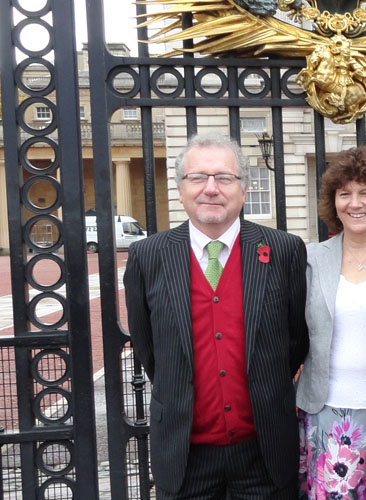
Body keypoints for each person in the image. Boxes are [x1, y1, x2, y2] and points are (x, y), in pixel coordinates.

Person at [124, 132, 308, 499]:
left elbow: (295, 340)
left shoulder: (284, 250)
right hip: (184, 454)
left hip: (264, 451)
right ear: (180, 190)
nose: (211, 188)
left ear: (243, 190)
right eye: (198, 178)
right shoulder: (148, 256)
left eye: (224, 178)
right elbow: (147, 349)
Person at [295, 147, 366, 500]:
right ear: (334, 202)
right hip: (324, 413)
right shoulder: (310, 259)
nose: (355, 203)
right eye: (345, 194)